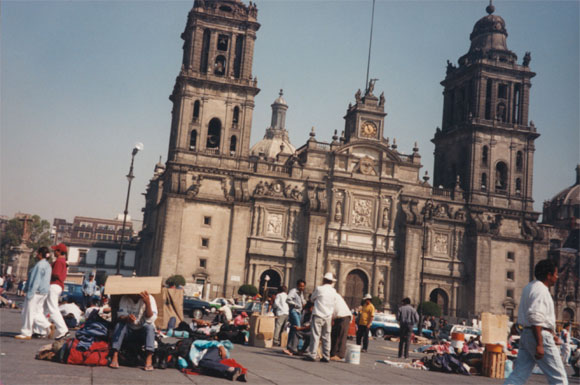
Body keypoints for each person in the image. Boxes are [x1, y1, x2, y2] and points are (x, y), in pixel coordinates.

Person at [504, 259, 568, 385]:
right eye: (555, 273)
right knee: (559, 379)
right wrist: (539, 344)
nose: (557, 276)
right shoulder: (541, 290)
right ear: (548, 275)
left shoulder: (529, 287)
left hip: (527, 334)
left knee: (519, 374)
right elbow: (535, 317)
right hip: (539, 336)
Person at [109, 291, 158, 371]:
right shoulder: (125, 298)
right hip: (129, 330)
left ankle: (149, 359)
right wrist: (127, 318)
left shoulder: (150, 298)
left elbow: (150, 319)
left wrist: (147, 303)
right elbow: (121, 316)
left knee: (150, 328)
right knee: (119, 325)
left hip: (142, 330)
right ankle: (115, 355)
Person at [15, 247, 54, 340]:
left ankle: (26, 332)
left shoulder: (39, 265)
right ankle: (47, 325)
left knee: (27, 312)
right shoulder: (48, 265)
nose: (36, 255)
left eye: (37, 253)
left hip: (35, 292)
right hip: (43, 292)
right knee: (37, 312)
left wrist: (29, 292)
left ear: (40, 254)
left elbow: (36, 280)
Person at [303, 272, 337, 362]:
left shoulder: (319, 289)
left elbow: (312, 299)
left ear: (324, 280)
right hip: (328, 316)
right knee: (326, 336)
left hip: (318, 314)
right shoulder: (334, 291)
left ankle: (312, 354)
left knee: (315, 335)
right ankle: (326, 356)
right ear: (331, 282)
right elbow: (334, 303)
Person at [47, 243, 69, 340]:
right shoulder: (63, 261)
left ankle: (63, 329)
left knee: (53, 309)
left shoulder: (59, 261)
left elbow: (55, 274)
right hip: (57, 286)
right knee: (47, 308)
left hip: (54, 284)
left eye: (55, 250)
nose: (54, 252)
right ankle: (42, 329)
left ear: (59, 252)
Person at [285, 279, 306, 355]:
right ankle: (299, 347)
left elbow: (302, 301)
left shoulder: (301, 293)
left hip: (299, 312)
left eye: (303, 286)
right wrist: (295, 305)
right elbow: (287, 300)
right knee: (298, 327)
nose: (302, 287)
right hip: (294, 311)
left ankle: (289, 347)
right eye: (300, 286)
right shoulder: (293, 291)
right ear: (297, 285)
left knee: (293, 329)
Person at [330, 291, 352, 361]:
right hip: (338, 317)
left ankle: (340, 355)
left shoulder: (332, 297)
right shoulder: (334, 296)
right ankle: (333, 353)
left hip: (344, 316)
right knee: (335, 335)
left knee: (341, 336)